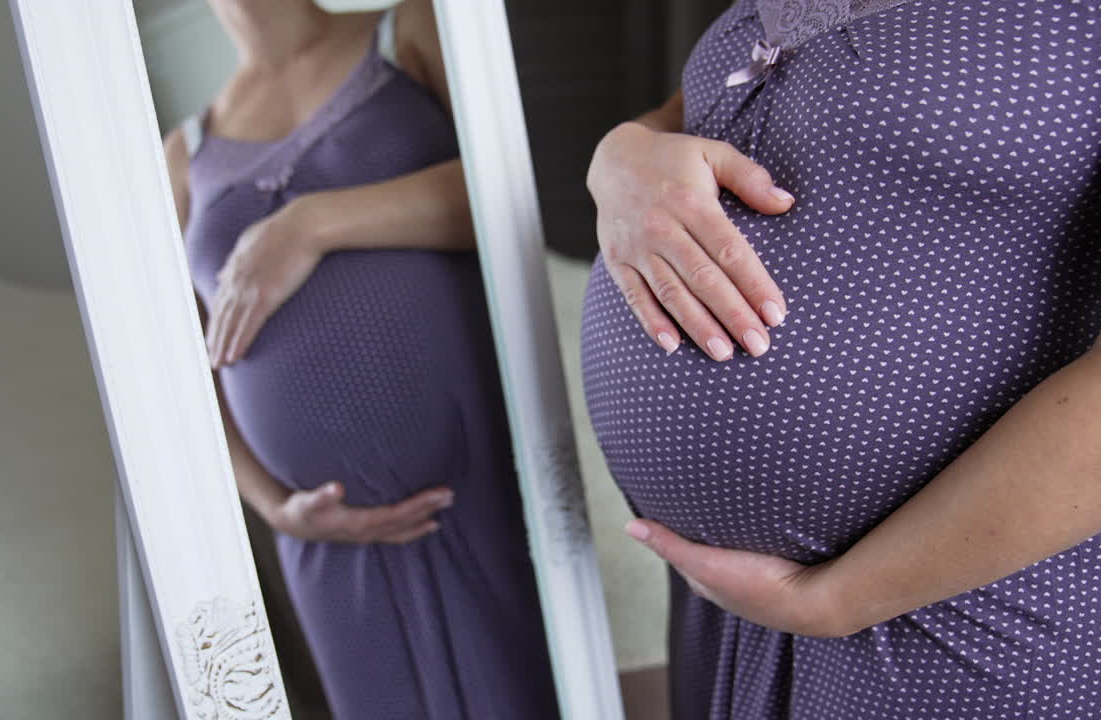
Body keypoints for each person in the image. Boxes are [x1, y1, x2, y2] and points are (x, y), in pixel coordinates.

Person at [581, 1, 1101, 718]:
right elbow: (691, 109)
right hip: (732, 602)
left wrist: (833, 601)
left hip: (966, 606)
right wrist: (622, 154)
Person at [162, 1, 559, 718]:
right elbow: (183, 375)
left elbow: (504, 194)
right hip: (328, 540)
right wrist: (277, 509)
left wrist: (310, 224)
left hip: (485, 493)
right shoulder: (182, 158)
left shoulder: (409, 27)